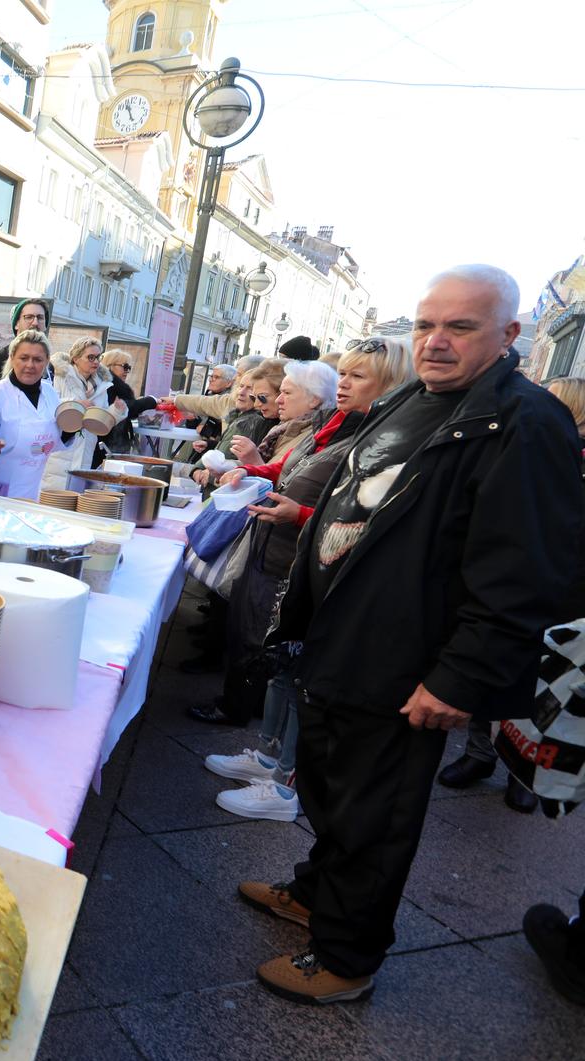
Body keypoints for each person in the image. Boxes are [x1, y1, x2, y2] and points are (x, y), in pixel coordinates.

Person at [240, 265, 585, 1004]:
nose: (435, 340)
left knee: (376, 812)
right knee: (330, 787)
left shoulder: (525, 422)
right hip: (347, 641)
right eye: (427, 323)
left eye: (460, 327)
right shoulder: (416, 396)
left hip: (408, 662)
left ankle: (346, 956)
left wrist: (460, 676)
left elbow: (525, 571)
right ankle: (314, 894)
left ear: (509, 335)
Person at [204, 339, 415, 820]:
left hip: (328, 571)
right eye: (345, 373)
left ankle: (283, 786)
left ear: (387, 384)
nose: (344, 382)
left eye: (358, 376)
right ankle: (269, 757)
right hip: (298, 560)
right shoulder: (341, 425)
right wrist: (256, 473)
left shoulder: (387, 437)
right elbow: (297, 470)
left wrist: (298, 512)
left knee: (300, 673)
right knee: (282, 664)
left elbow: (367, 516)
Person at [437, 374, 585, 811]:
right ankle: (480, 754)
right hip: (523, 581)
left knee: (546, 687)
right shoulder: (530, 444)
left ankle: (525, 770)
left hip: (570, 596)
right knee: (498, 667)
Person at [188, 360, 338, 729]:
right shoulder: (314, 431)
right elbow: (282, 468)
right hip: (271, 540)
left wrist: (296, 510)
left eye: (286, 393)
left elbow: (326, 501)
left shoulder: (330, 435)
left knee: (258, 635)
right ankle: (241, 705)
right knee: (247, 628)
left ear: (315, 399)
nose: (274, 400)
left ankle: (240, 711)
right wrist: (250, 470)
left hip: (285, 548)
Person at [0, 329, 75, 498]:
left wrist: (72, 428)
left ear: (46, 362)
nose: (30, 365)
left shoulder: (50, 394)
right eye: (24, 358)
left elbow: (50, 443)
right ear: (12, 358)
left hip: (31, 492)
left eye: (37, 359)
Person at [44, 336, 124, 483]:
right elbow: (49, 405)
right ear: (76, 358)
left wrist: (116, 412)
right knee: (54, 491)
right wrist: (76, 404)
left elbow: (102, 420)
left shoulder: (102, 384)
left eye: (98, 357)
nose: (96, 362)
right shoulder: (61, 376)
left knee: (75, 491)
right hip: (61, 447)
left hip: (86, 448)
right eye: (91, 357)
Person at [0, 298, 50, 387]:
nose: (35, 323)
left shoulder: (50, 367)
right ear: (16, 324)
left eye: (40, 317)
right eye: (29, 317)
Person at [100, 349, 157, 456]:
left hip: (115, 442)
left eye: (129, 368)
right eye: (125, 366)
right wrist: (150, 401)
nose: (127, 371)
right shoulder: (107, 386)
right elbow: (125, 408)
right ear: (109, 366)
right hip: (108, 443)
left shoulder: (116, 386)